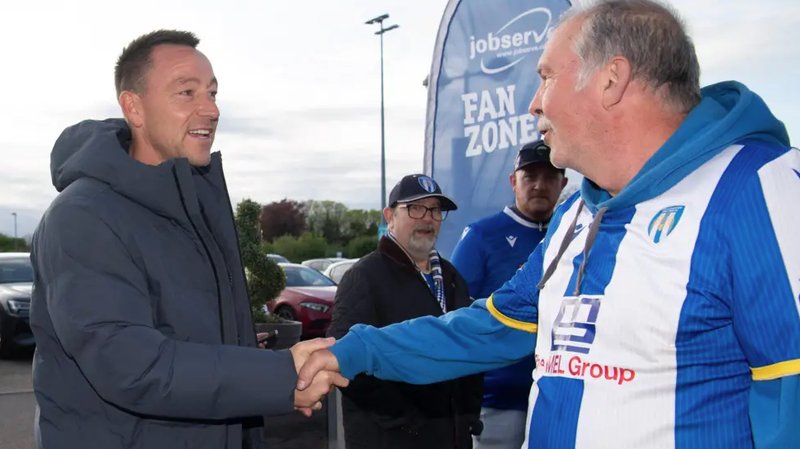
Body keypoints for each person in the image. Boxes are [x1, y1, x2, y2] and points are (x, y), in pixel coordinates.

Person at [297, 1, 800, 448]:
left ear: (611, 79)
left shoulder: (760, 188)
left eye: (547, 77)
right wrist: (355, 351)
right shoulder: (575, 213)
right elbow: (494, 327)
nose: (534, 102)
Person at [29, 30, 346, 449]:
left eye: (212, 93)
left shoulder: (196, 211)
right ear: (133, 107)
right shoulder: (83, 217)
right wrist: (281, 376)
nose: (211, 109)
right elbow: (132, 366)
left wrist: (257, 367)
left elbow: (189, 337)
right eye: (187, 92)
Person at [327, 174, 483, 449]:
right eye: (415, 208)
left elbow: (471, 348)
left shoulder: (452, 278)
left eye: (435, 210)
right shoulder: (364, 276)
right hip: (391, 439)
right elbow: (344, 357)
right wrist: (405, 419)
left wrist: (468, 414)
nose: (427, 219)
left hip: (451, 437)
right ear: (390, 216)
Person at [450, 140, 566, 449]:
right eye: (530, 177)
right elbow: (456, 315)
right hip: (499, 401)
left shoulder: (573, 233)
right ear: (514, 181)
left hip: (560, 397)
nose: (539, 185)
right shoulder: (482, 235)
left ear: (563, 183)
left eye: (549, 177)